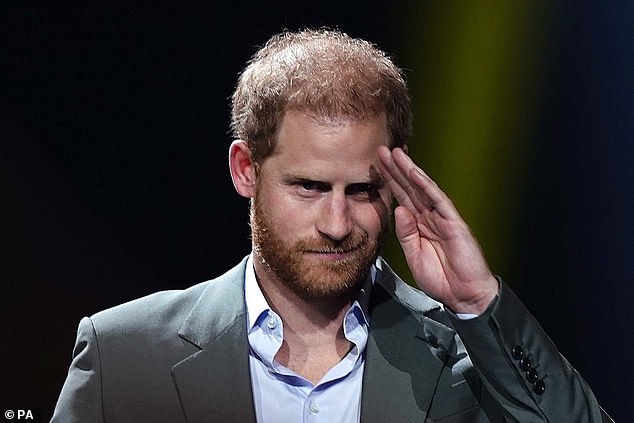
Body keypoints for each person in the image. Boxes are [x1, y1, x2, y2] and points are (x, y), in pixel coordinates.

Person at [51, 29, 612, 422]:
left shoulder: (467, 354)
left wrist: (477, 301)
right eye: (310, 187)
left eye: (364, 191)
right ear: (246, 170)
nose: (338, 224)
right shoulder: (124, 353)